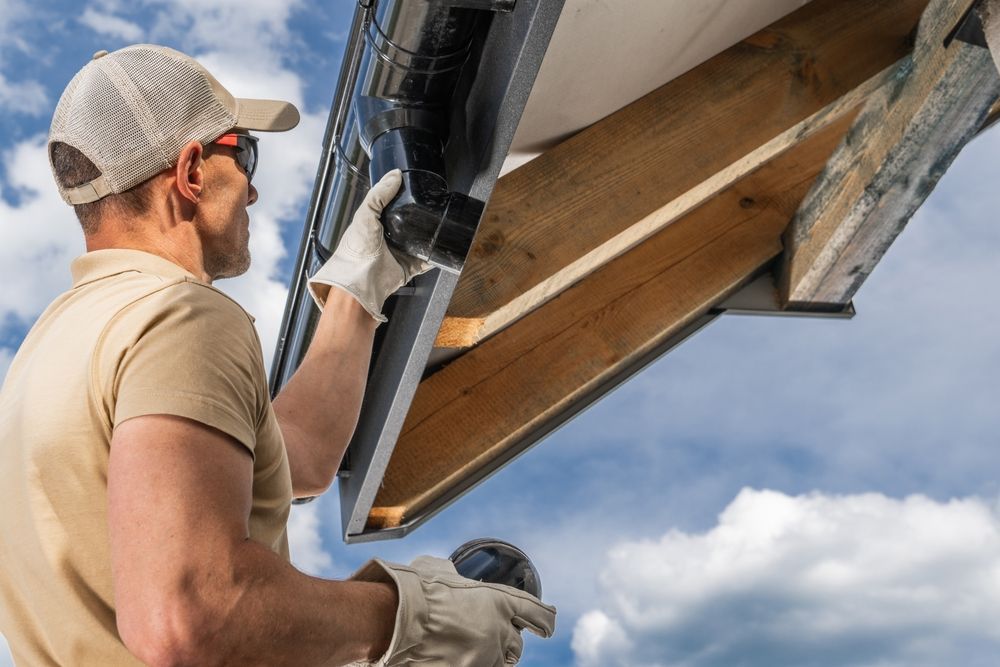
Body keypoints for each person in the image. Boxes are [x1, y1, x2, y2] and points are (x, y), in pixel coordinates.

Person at [0, 44, 555, 666]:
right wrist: (421, 617)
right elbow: (191, 615)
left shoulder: (46, 359)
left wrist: (357, 288)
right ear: (191, 173)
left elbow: (295, 460)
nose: (255, 192)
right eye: (245, 155)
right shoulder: (179, 318)